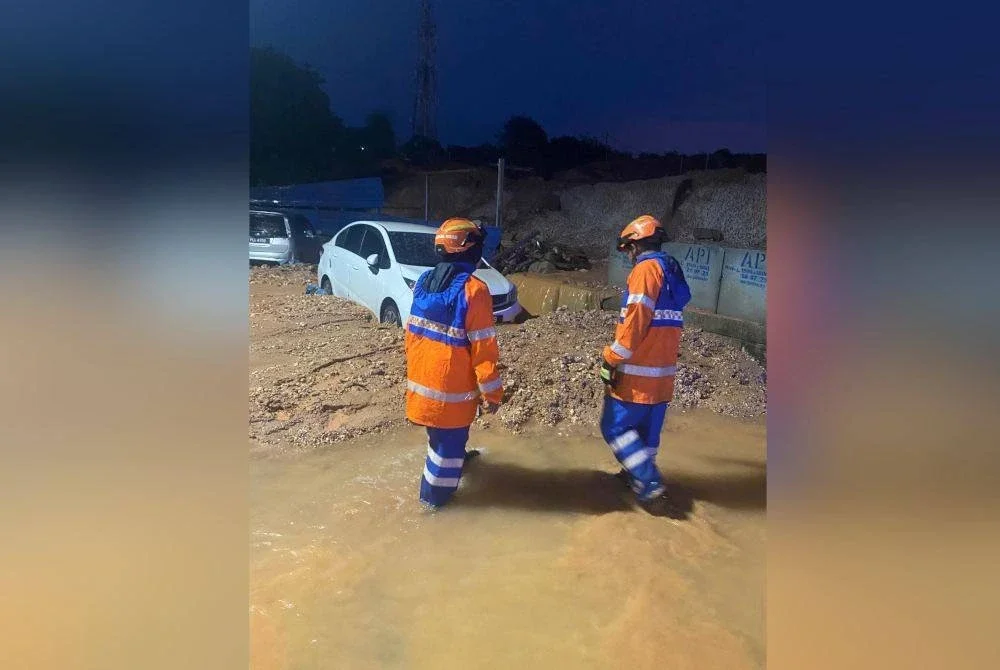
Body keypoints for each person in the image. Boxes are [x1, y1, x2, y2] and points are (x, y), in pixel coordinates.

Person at [405, 217, 504, 509]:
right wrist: (493, 394)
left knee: (441, 440)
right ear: (467, 249)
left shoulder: (423, 282)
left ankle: (455, 459)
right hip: (451, 395)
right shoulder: (475, 290)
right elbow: (484, 350)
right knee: (445, 455)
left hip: (422, 388)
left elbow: (413, 337)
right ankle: (432, 505)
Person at [599, 215, 692, 518]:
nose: (628, 255)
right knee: (646, 435)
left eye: (628, 249)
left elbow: (635, 321)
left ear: (635, 245)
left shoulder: (645, 270)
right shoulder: (670, 273)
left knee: (614, 427)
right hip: (662, 377)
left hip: (636, 375)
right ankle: (635, 477)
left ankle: (650, 487)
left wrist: (611, 357)